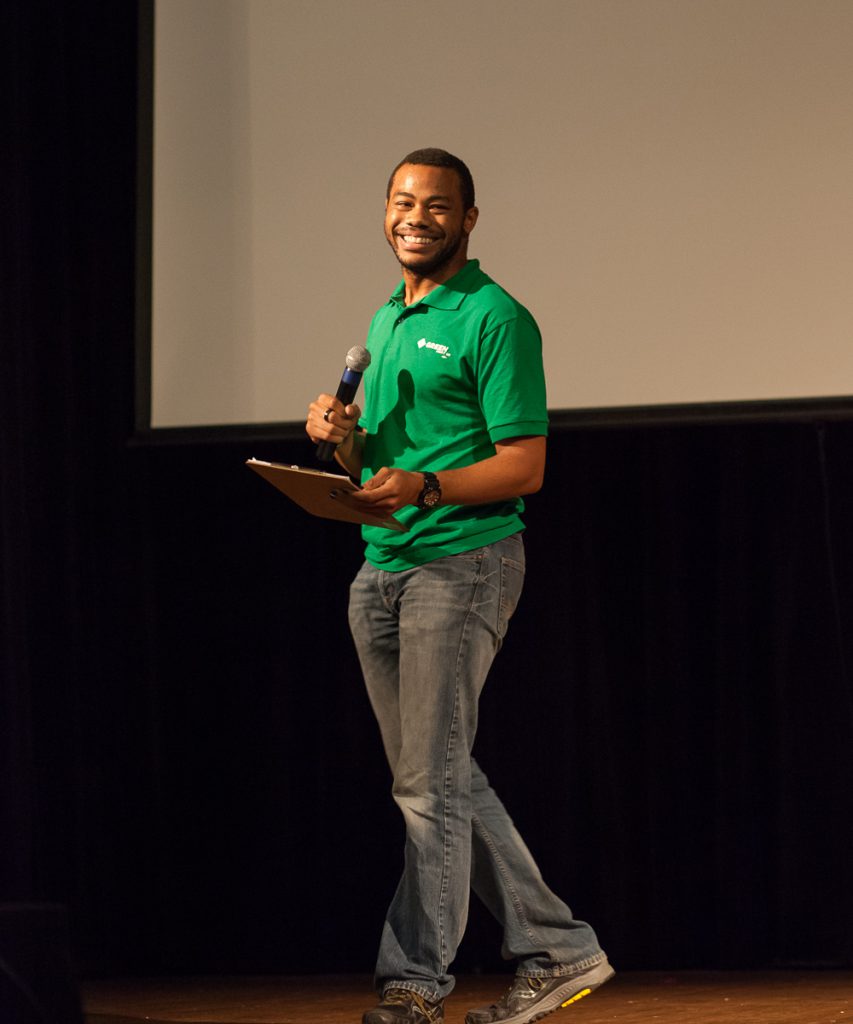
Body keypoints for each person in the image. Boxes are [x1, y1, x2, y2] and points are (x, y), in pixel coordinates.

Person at [305, 148, 613, 1024]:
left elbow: (525, 466)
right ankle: (558, 949)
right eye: (402, 201)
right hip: (382, 567)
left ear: (467, 220)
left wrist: (427, 488)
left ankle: (412, 987)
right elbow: (382, 467)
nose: (415, 217)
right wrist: (341, 441)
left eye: (436, 205)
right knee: (435, 775)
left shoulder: (494, 317)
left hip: (464, 563)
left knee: (428, 784)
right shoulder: (387, 318)